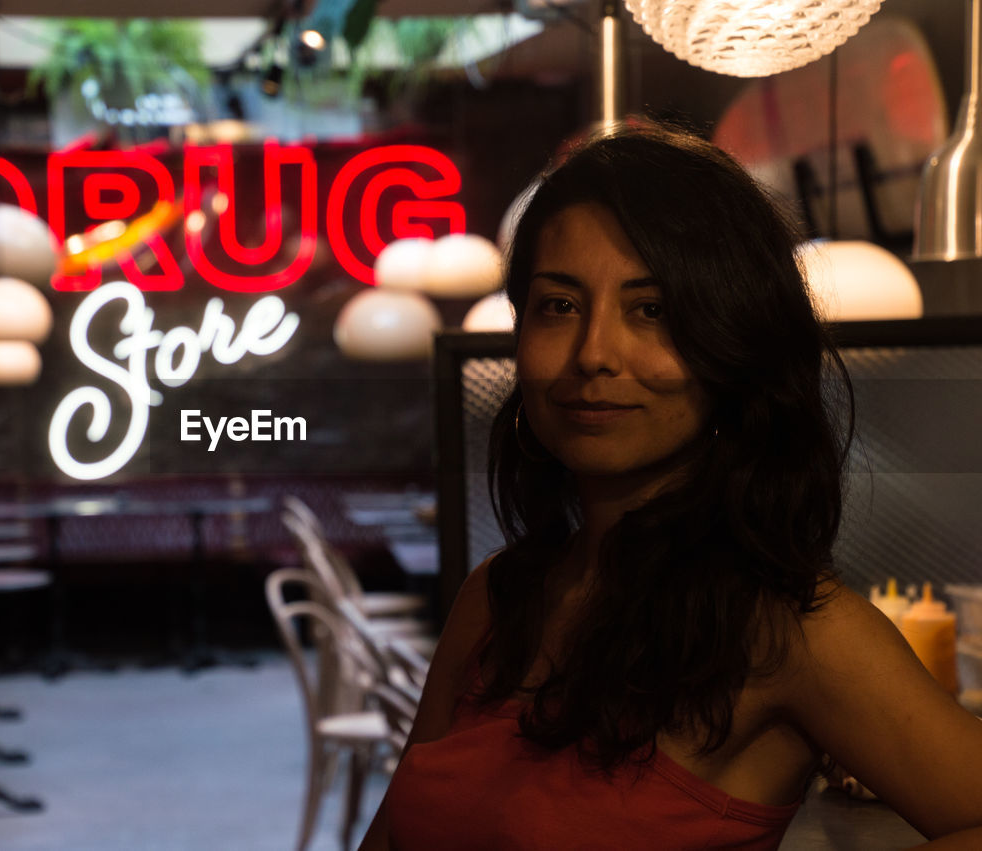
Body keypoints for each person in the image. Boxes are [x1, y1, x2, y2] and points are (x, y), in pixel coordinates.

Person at [358, 125, 982, 849]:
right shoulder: (496, 595)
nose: (594, 353)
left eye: (651, 310)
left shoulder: (792, 628)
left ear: (733, 343)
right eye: (559, 305)